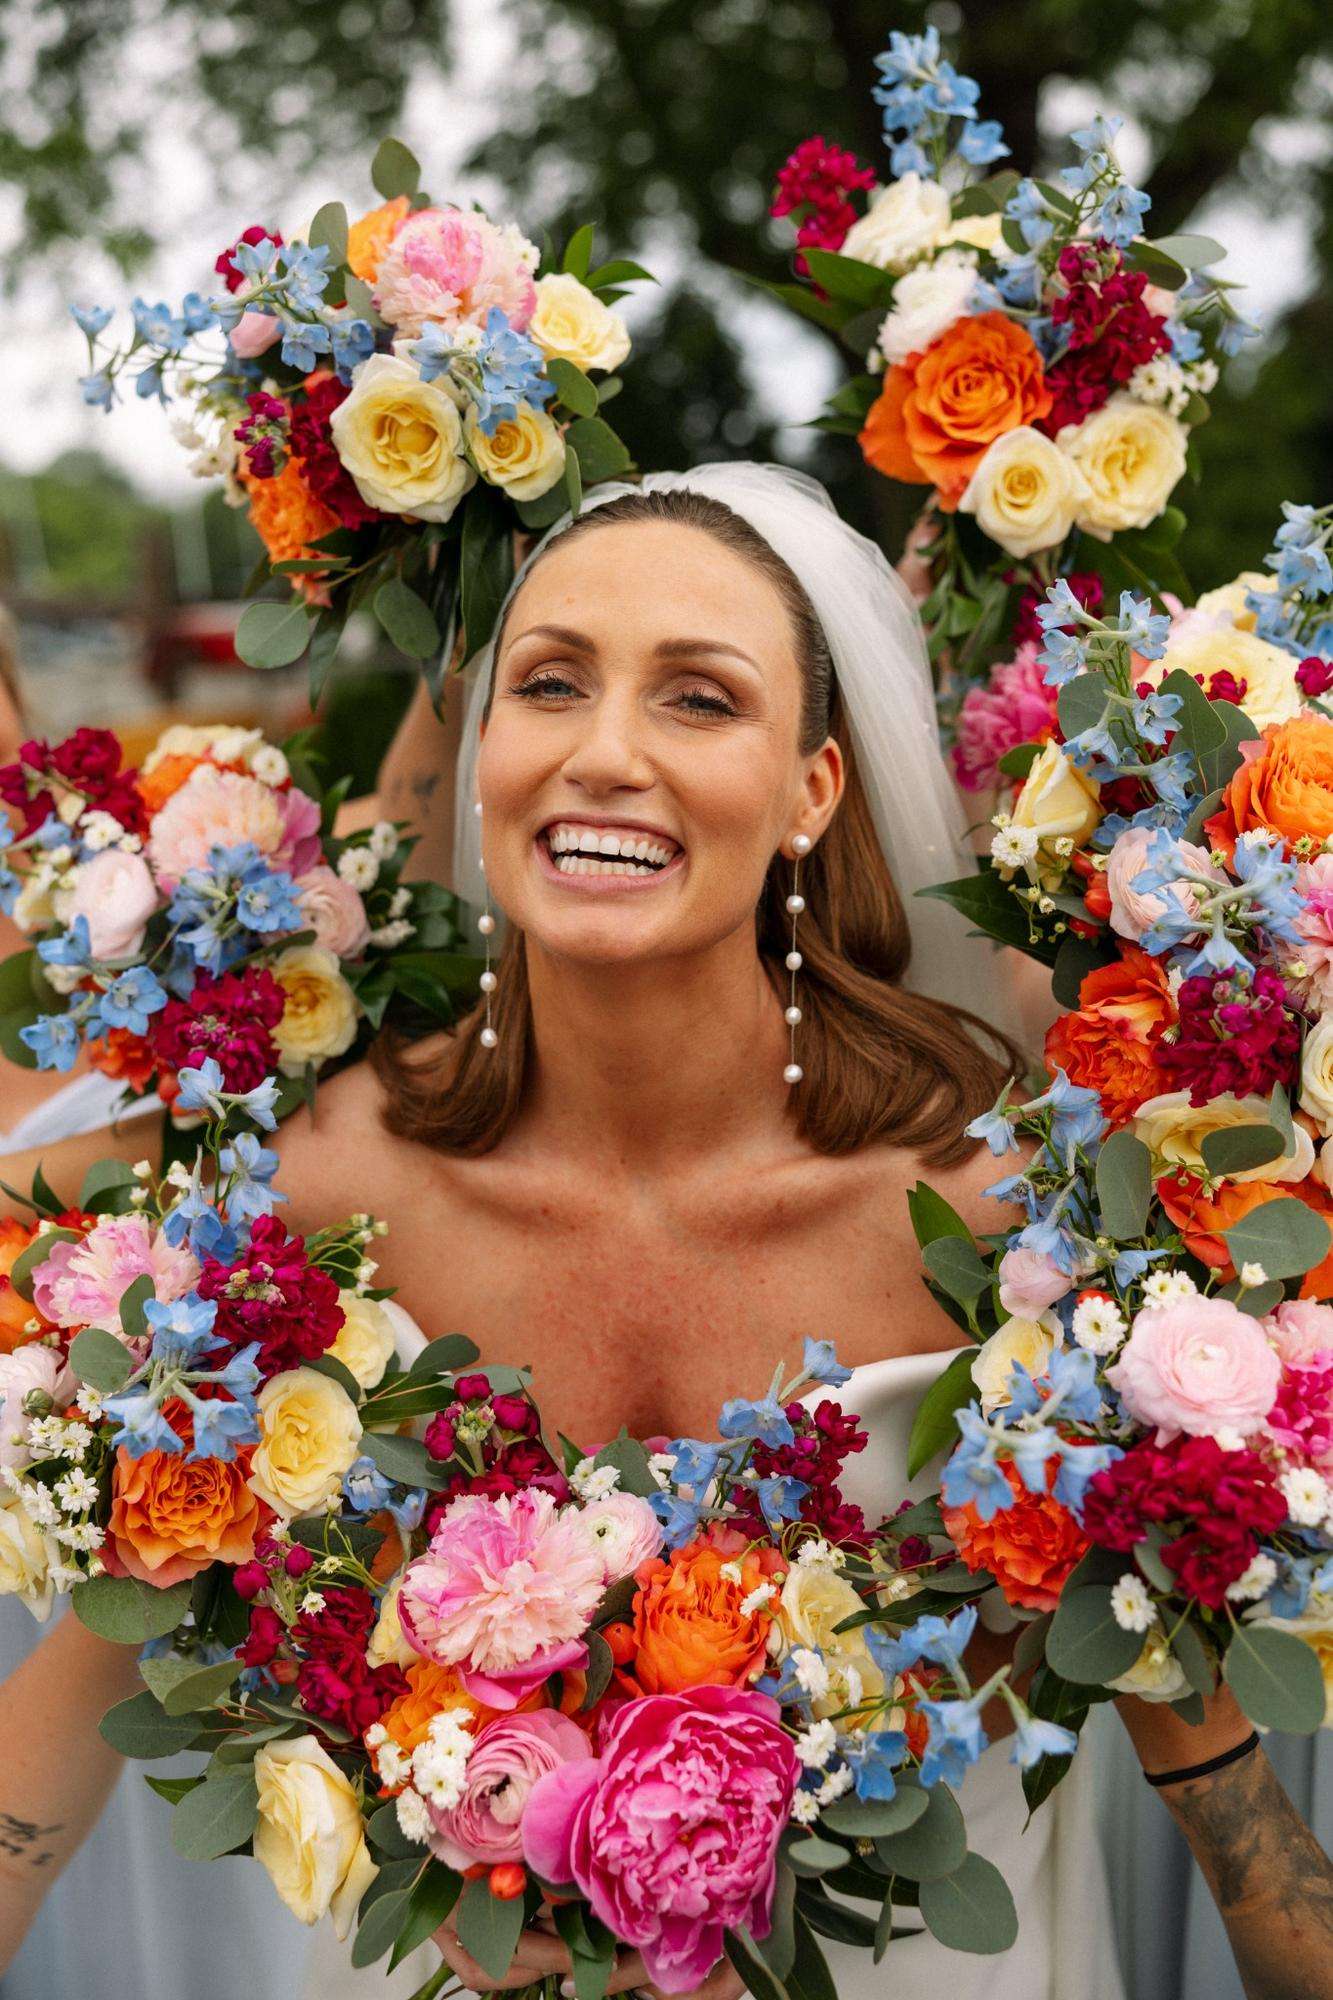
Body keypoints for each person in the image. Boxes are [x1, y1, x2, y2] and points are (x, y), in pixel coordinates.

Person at [0, 465, 1329, 2000]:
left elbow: (1239, 1835)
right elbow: (63, 1737)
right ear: (487, 745)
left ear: (811, 791)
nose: (604, 753)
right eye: (548, 684)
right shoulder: (302, 1207)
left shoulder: (1012, 1223)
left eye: (699, 701)